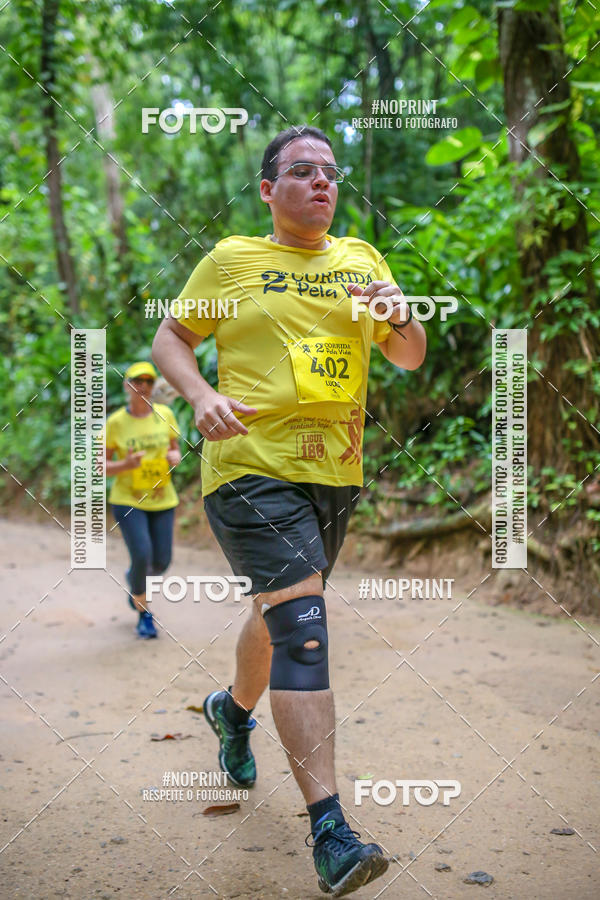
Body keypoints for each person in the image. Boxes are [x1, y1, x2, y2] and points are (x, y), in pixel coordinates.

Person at [152, 125, 426, 896]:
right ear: (269, 190)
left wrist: (401, 314)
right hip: (248, 469)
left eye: (331, 173)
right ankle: (332, 830)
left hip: (333, 473)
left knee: (282, 611)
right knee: (305, 628)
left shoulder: (362, 261)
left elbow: (409, 354)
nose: (321, 182)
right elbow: (173, 335)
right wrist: (200, 396)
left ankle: (230, 711)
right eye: (302, 171)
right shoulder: (234, 260)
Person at [105, 362, 182, 639]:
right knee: (142, 555)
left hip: (162, 499)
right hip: (128, 500)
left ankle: (135, 582)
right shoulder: (116, 423)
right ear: (126, 385)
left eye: (149, 382)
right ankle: (143, 612)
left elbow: (175, 452)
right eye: (137, 381)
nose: (143, 387)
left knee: (161, 561)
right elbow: (100, 465)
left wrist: (175, 458)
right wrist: (125, 464)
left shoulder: (165, 414)